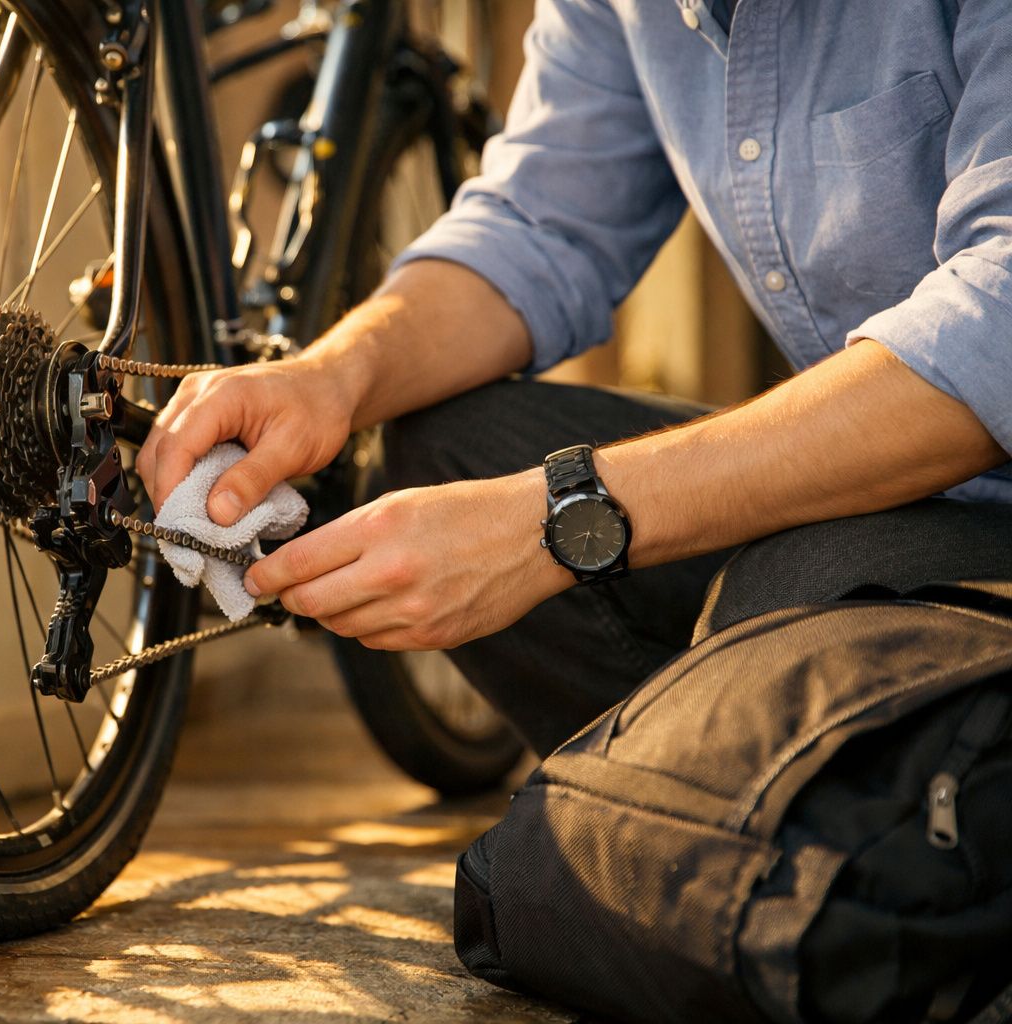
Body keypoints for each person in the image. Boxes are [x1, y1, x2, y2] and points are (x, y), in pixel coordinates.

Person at [137, 0, 1012, 755]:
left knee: (794, 602)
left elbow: (996, 329)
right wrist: (328, 376)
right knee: (451, 451)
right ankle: (724, 794)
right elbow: (540, 226)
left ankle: (757, 806)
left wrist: (556, 521)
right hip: (886, 507)